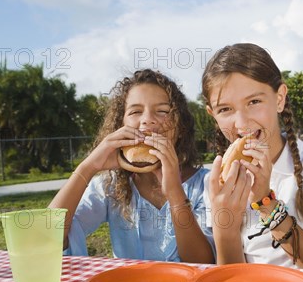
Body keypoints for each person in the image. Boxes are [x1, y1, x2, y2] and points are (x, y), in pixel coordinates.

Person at [202, 43, 303, 270]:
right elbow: (231, 280)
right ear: (213, 115)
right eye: (225, 109)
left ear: (280, 98)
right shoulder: (215, 182)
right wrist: (225, 225)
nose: (241, 123)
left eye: (254, 102)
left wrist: (266, 203)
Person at [49, 69, 214, 263]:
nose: (147, 119)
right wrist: (88, 167)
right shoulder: (110, 186)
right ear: (121, 124)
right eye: (135, 111)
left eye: (162, 111)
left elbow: (203, 262)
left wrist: (175, 193)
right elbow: (49, 234)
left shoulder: (206, 184)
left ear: (180, 127)